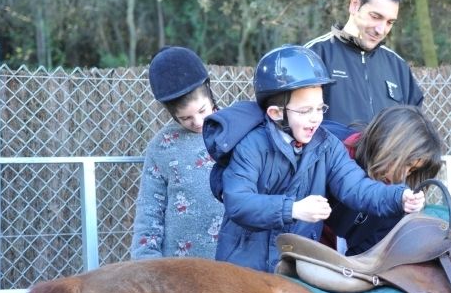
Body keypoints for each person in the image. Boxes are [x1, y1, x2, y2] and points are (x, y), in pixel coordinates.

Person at [202, 45, 426, 272]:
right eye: (305, 110)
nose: (315, 119)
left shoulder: (326, 145)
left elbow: (358, 187)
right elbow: (238, 202)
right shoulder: (252, 145)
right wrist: (294, 209)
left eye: (320, 108)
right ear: (276, 113)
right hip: (244, 267)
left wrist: (399, 196)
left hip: (296, 265)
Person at [130, 46, 224, 259]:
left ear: (209, 92)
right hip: (180, 271)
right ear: (172, 114)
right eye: (186, 118)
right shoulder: (162, 147)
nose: (198, 122)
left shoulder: (238, 129)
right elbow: (150, 212)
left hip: (236, 266)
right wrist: (147, 265)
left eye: (202, 110)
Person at [321, 105, 444, 255]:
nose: (403, 175)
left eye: (412, 170)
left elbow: (363, 256)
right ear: (387, 145)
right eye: (405, 164)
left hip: (332, 264)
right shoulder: (329, 145)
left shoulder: (396, 198)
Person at [304, 0, 424, 127]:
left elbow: (412, 132)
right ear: (355, 5)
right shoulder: (313, 56)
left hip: (387, 152)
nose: (381, 30)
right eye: (375, 16)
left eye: (389, 22)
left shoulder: (398, 67)